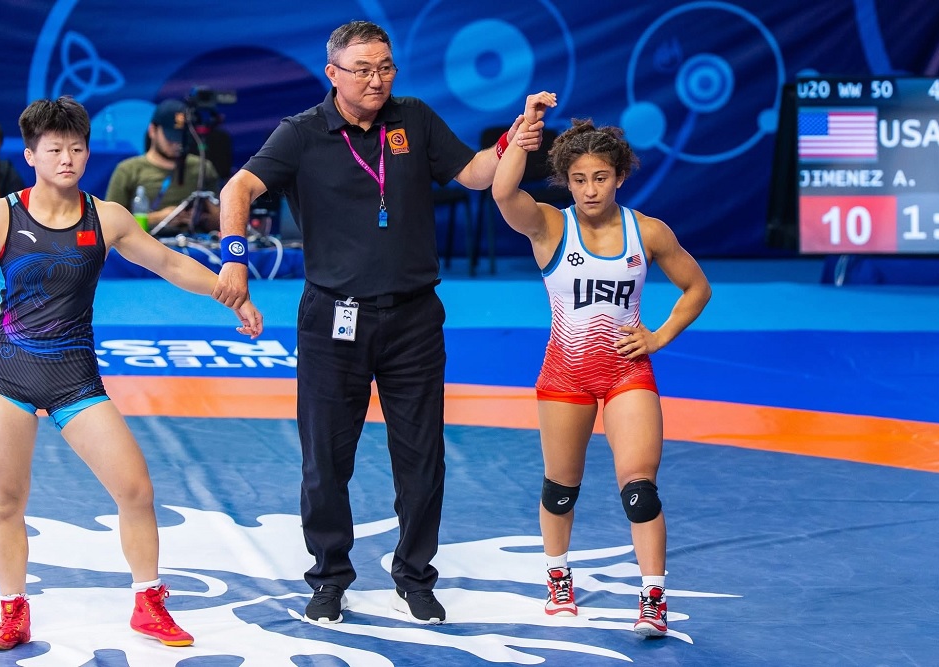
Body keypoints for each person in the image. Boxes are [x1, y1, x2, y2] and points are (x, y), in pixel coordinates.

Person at [212, 20, 544, 626]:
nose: (376, 79)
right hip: (333, 319)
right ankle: (329, 576)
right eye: (363, 69)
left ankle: (414, 576)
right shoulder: (302, 133)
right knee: (325, 459)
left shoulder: (413, 118)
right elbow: (238, 188)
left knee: (422, 458)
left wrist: (512, 141)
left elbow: (474, 174)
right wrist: (235, 260)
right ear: (332, 73)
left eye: (385, 67)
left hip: (414, 317)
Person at [0, 96, 263, 651]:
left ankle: (148, 605)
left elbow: (170, 263)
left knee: (135, 489)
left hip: (74, 377)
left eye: (76, 148)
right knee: (6, 500)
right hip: (9, 374)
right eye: (54, 150)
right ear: (31, 155)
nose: (67, 159)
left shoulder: (105, 217)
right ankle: (13, 613)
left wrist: (232, 295)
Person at [492, 101, 712, 637]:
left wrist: (659, 336)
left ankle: (653, 598)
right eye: (579, 180)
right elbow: (502, 192)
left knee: (640, 488)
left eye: (601, 178)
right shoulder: (549, 226)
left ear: (619, 177)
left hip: (625, 374)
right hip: (564, 374)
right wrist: (524, 131)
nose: (590, 190)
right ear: (565, 181)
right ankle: (558, 578)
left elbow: (697, 288)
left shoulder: (648, 233)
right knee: (560, 488)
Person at [105, 99, 221, 236]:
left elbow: (220, 221)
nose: (177, 143)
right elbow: (109, 222)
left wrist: (200, 218)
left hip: (194, 241)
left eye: (181, 137)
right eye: (171, 138)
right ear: (152, 130)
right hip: (145, 242)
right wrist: (158, 218)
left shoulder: (202, 168)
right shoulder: (128, 170)